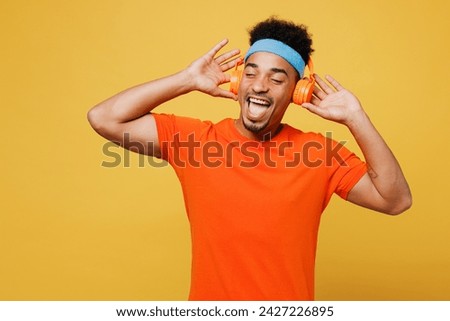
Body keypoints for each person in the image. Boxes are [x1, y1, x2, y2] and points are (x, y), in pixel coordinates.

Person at [87, 17, 412, 300]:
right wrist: (186, 80)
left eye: (276, 78)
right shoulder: (195, 141)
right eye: (252, 73)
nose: (259, 86)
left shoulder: (319, 155)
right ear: (238, 80)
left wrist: (356, 118)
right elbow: (105, 118)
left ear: (297, 92)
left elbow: (395, 199)